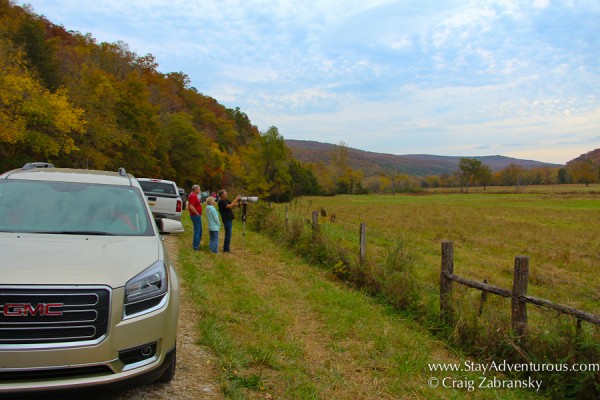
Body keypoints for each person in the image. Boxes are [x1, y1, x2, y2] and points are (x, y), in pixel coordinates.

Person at [188, 184, 203, 250]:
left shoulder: (194, 195)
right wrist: (197, 213)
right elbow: (191, 206)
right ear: (196, 189)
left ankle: (197, 245)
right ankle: (196, 247)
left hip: (196, 215)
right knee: (197, 231)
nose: (200, 190)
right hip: (195, 215)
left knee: (199, 230)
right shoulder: (193, 196)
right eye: (199, 189)